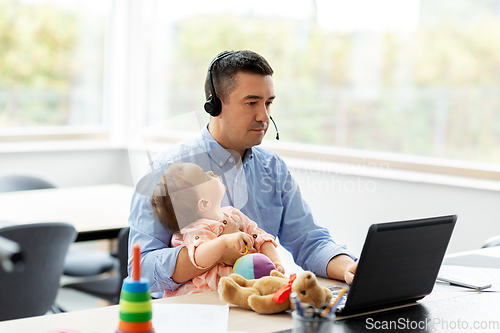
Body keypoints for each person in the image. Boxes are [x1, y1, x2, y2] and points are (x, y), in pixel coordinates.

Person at [128, 50, 357, 298]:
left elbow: (310, 241)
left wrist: (350, 268)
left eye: (268, 103)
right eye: (251, 103)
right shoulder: (166, 170)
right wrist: (216, 251)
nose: (264, 117)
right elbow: (142, 272)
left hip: (257, 310)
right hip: (192, 315)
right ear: (215, 104)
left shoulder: (272, 168)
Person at [150, 162, 284, 296]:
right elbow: (199, 257)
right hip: (200, 296)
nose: (211, 173)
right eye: (205, 176)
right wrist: (224, 241)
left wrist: (275, 262)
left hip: (236, 290)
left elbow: (260, 237)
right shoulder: (196, 229)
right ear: (204, 203)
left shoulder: (234, 214)